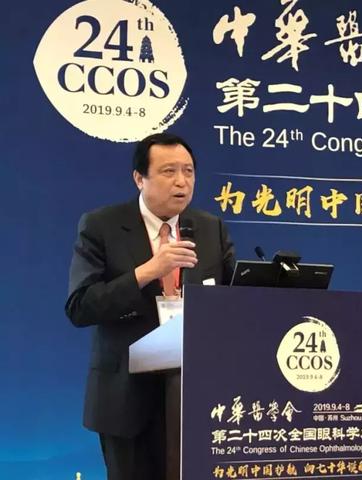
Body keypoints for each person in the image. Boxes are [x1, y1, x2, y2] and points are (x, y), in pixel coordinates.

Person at [65, 133, 235, 480]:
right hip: (126, 399)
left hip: (195, 398)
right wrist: (146, 272)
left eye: (188, 171)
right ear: (139, 178)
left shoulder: (209, 228)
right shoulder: (102, 226)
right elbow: (81, 306)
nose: (181, 182)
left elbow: (234, 300)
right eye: (169, 171)